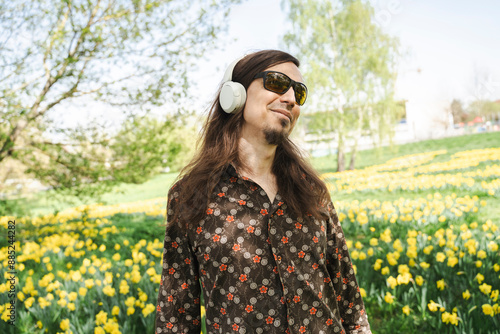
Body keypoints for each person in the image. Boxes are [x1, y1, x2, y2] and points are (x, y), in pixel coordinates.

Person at [155, 50, 371, 334]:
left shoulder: (311, 189)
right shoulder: (191, 195)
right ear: (236, 94)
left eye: (299, 93)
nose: (291, 99)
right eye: (278, 83)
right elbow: (177, 315)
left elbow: (349, 299)